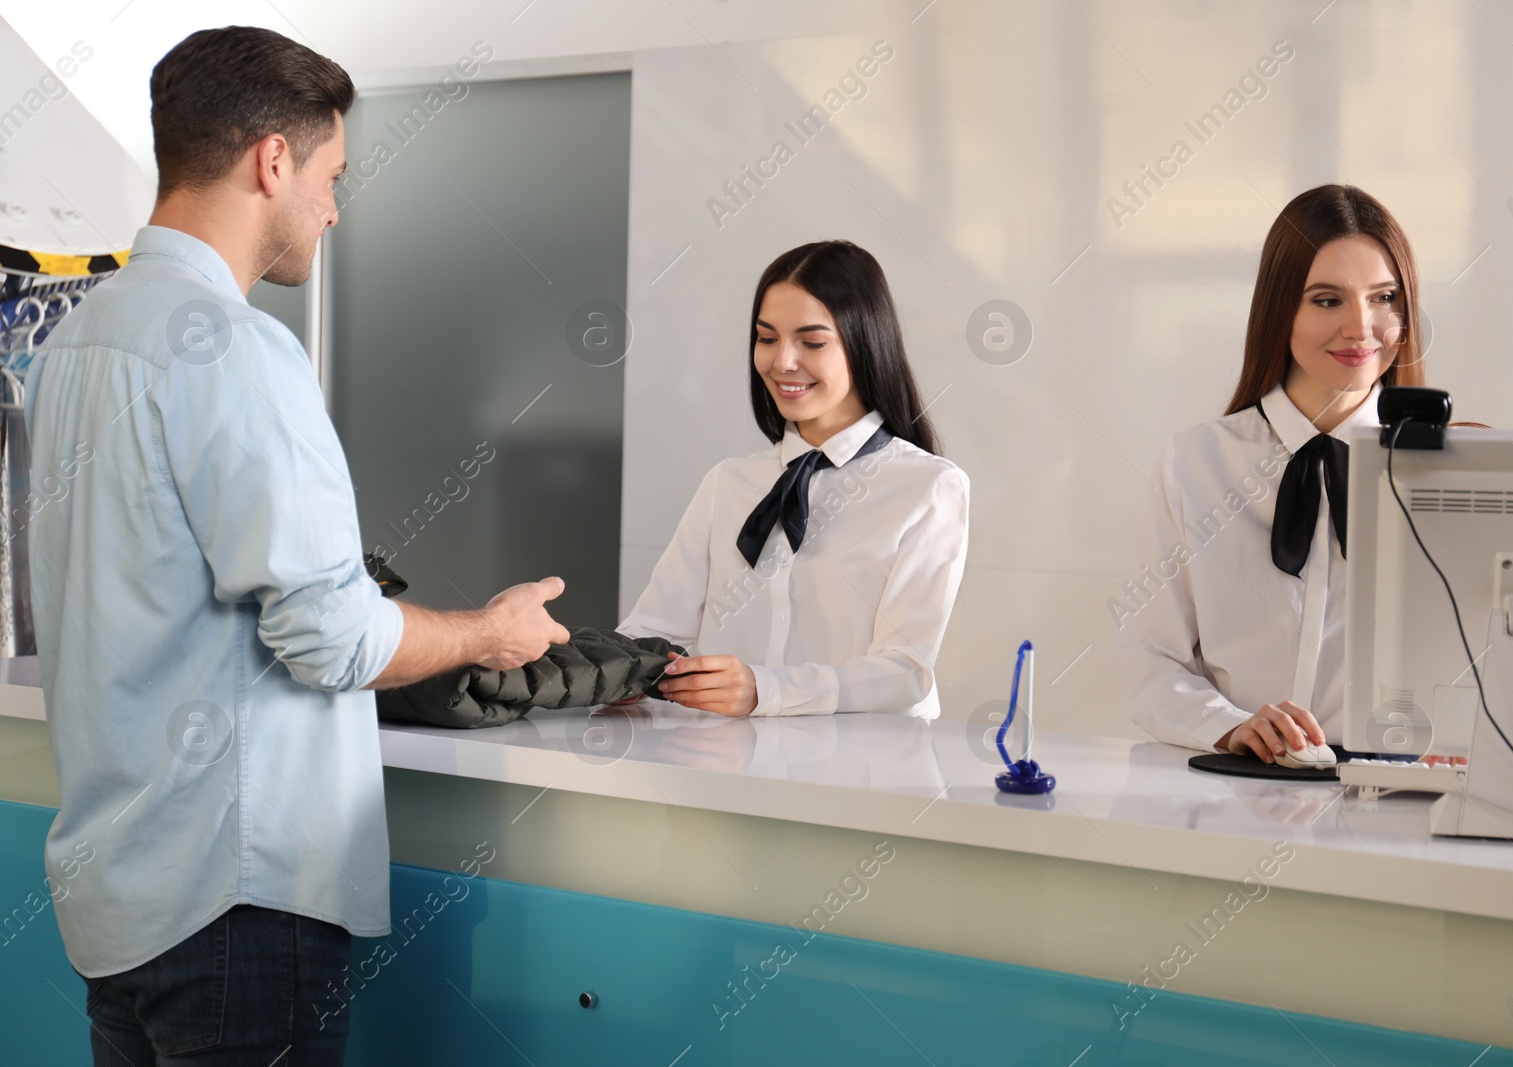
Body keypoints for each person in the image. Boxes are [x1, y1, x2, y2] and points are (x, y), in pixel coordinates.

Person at [25, 27, 567, 1065]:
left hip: (114, 901)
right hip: (234, 903)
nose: (332, 206)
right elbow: (331, 638)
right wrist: (482, 632)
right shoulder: (236, 347)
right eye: (330, 175)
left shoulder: (73, 345)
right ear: (273, 160)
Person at [1115, 184, 1424, 762]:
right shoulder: (1195, 462)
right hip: (1234, 790)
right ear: (1281, 309)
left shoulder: (1447, 473)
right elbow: (1150, 656)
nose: (1361, 328)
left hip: (1402, 800)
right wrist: (1229, 727)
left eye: (1383, 297)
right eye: (1327, 300)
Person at [620, 241, 969, 718]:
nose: (782, 362)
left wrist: (767, 690)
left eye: (812, 342)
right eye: (767, 338)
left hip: (868, 772)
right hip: (728, 768)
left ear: (864, 343)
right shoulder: (729, 483)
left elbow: (906, 670)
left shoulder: (927, 487)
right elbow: (652, 632)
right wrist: (579, 665)